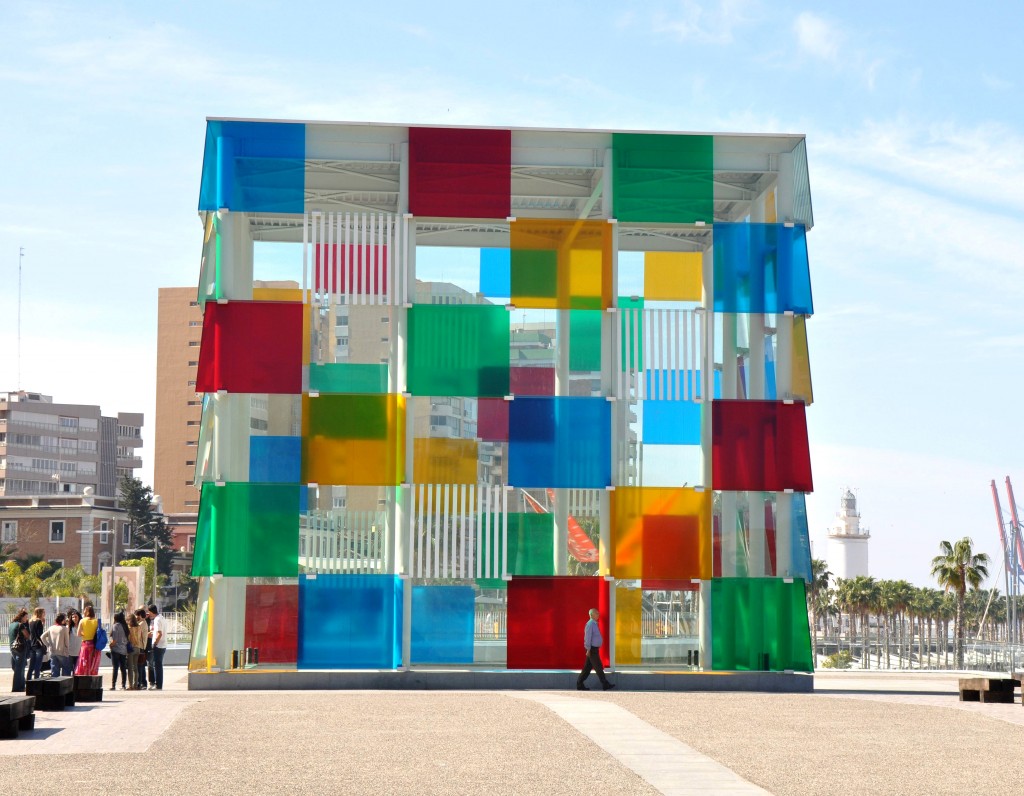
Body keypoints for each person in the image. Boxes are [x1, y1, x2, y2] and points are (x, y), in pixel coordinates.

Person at [576, 608, 615, 692]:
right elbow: (587, 637)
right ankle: (605, 684)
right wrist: (588, 649)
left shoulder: (594, 624)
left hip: (593, 649)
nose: (598, 614)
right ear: (592, 614)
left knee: (587, 668)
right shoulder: (590, 624)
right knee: (598, 667)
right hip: (592, 650)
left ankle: (579, 684)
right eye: (597, 613)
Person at [74, 604, 101, 676]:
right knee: (92, 663)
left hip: (85, 644)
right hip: (94, 645)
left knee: (84, 663)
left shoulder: (82, 621)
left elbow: (78, 634)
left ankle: (84, 678)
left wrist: (84, 634)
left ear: (87, 612)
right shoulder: (97, 621)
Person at [8, 608, 30, 692]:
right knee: (20, 668)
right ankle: (17, 687)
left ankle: (21, 686)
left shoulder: (11, 624)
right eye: (26, 617)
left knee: (18, 668)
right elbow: (27, 636)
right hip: (20, 648)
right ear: (22, 617)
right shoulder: (21, 625)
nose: (26, 619)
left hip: (12, 648)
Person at [45, 612, 72, 677]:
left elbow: (42, 637)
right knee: (66, 669)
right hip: (62, 652)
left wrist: (48, 644)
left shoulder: (51, 628)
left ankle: (55, 685)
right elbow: (67, 642)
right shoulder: (64, 629)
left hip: (52, 652)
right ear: (62, 620)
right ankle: (65, 685)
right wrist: (67, 651)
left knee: (54, 670)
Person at [109, 611, 130, 691]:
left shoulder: (115, 626)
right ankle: (123, 685)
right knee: (123, 668)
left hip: (116, 650)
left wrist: (110, 645)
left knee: (115, 668)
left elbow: (114, 640)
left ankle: (113, 685)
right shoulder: (125, 626)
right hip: (123, 650)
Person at [148, 604, 166, 690]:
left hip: (158, 645)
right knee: (159, 665)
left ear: (151, 612)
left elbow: (159, 633)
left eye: (149, 612)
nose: (148, 614)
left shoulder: (157, 620)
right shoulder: (162, 618)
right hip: (163, 644)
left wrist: (155, 643)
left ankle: (158, 685)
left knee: (157, 665)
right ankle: (159, 684)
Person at [27, 607, 47, 681]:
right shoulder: (39, 621)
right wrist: (43, 624)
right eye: (43, 612)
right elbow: (40, 635)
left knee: (32, 665)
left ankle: (28, 680)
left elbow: (33, 634)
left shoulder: (31, 621)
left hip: (33, 644)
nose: (44, 614)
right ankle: (36, 681)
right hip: (39, 645)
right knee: (38, 665)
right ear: (40, 613)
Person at [134, 608, 149, 689]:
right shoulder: (142, 623)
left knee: (140, 667)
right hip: (141, 647)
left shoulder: (141, 624)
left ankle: (141, 683)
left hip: (140, 647)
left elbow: (136, 635)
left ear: (140, 615)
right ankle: (143, 683)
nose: (136, 617)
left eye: (136, 615)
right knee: (141, 666)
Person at [126, 613, 141, 690]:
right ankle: (136, 684)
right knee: (135, 667)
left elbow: (127, 639)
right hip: (138, 648)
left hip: (131, 649)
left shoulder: (129, 629)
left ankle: (130, 685)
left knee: (130, 668)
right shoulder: (139, 627)